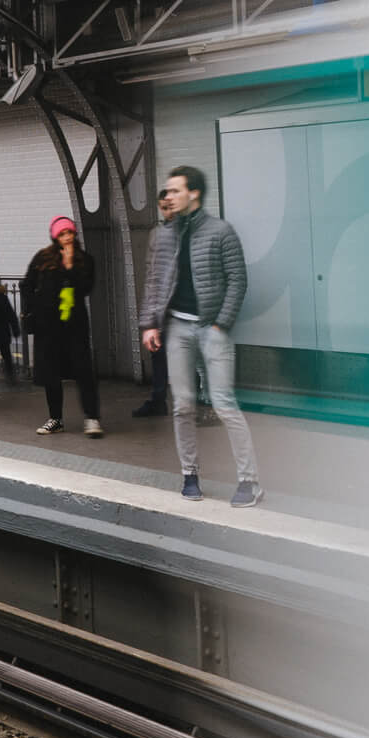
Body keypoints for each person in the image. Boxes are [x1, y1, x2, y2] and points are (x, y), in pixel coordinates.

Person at [140, 166, 258, 507]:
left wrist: (222, 323)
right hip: (177, 327)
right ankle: (189, 475)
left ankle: (249, 481)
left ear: (194, 193)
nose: (169, 196)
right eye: (168, 191)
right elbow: (153, 281)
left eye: (175, 190)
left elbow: (238, 279)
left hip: (211, 327)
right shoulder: (162, 235)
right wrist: (150, 323)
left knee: (223, 403)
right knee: (183, 405)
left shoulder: (221, 231)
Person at [23, 216, 101, 438]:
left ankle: (92, 417)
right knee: (51, 373)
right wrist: (32, 308)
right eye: (62, 234)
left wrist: (69, 267)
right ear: (55, 237)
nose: (67, 238)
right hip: (48, 325)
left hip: (74, 324)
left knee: (84, 370)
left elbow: (86, 288)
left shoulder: (84, 260)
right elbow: (27, 283)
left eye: (70, 233)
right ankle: (55, 418)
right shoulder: (43, 257)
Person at [132, 189, 179, 418]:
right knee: (159, 354)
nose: (167, 211)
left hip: (182, 305)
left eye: (170, 206)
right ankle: (159, 400)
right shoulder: (158, 233)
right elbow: (152, 275)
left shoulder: (191, 231)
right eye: (163, 207)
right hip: (164, 306)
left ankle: (194, 401)